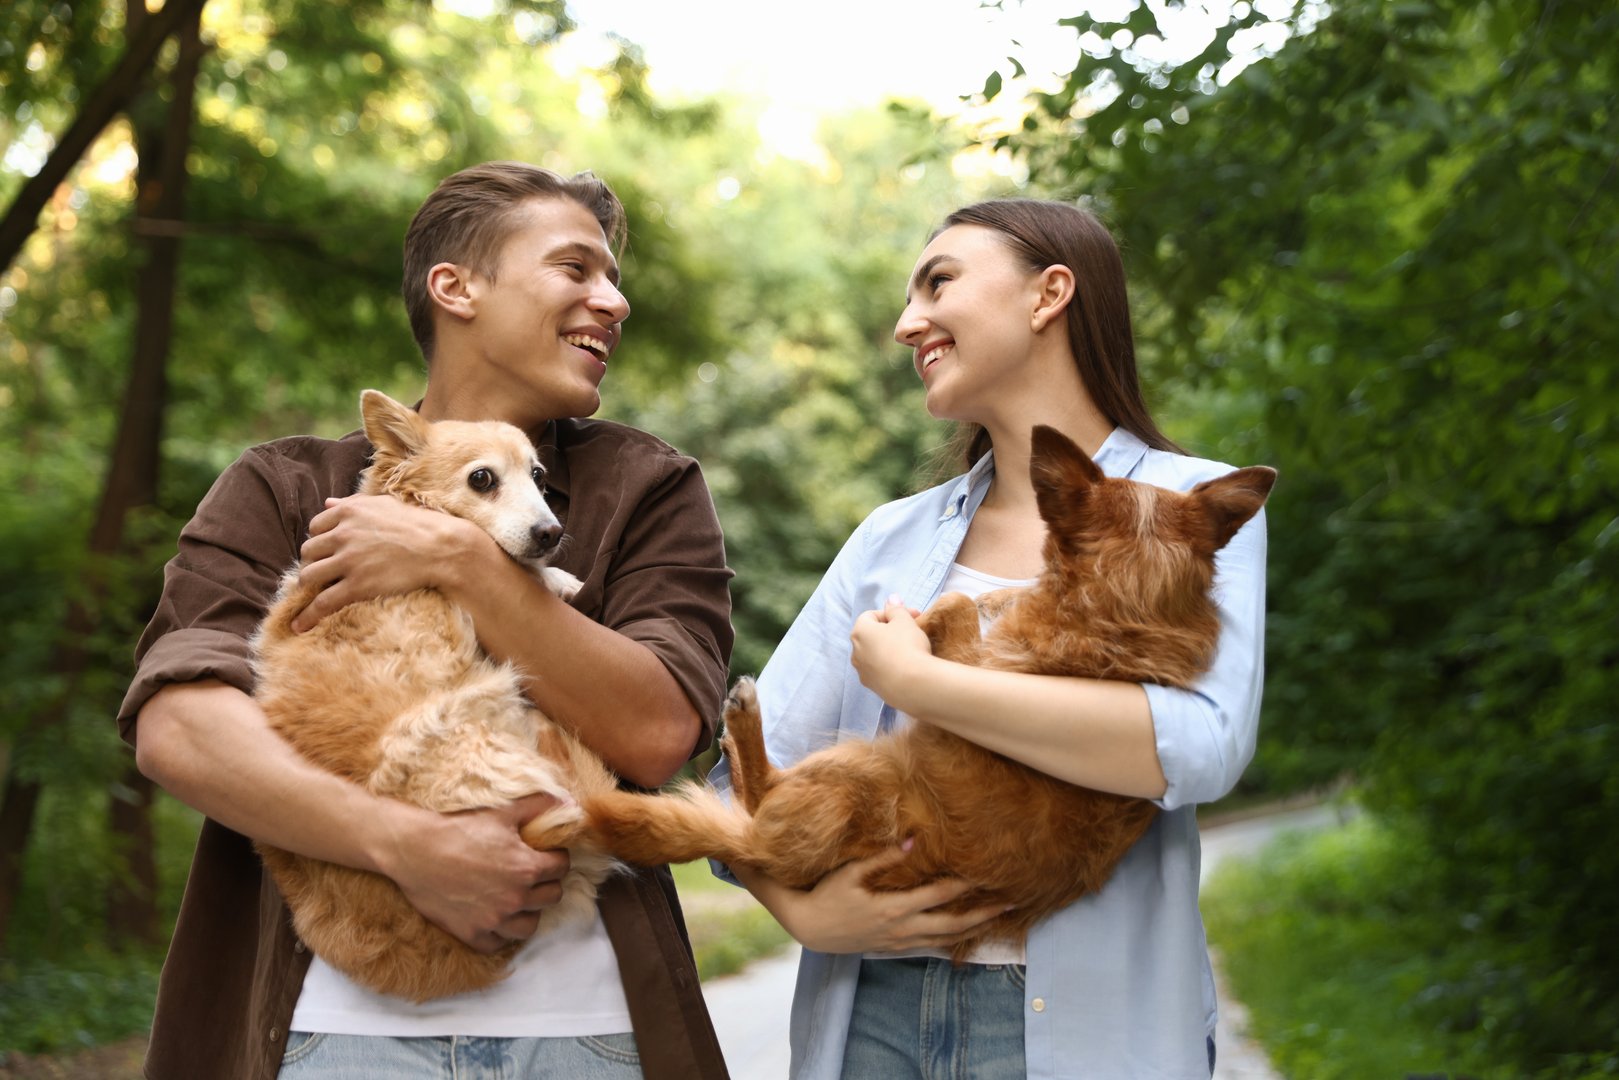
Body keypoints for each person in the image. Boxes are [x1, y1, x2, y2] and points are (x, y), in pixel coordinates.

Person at [120, 162, 735, 1080]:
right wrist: (405, 845)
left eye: (613, 277)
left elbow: (655, 733)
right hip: (330, 1030)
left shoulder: (648, 486)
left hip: (589, 1033)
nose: (613, 300)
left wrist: (457, 560)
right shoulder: (284, 486)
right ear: (456, 287)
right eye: (576, 269)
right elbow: (180, 727)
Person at [710, 199, 1268, 1078]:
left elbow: (1198, 748)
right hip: (873, 1013)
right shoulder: (890, 537)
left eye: (938, 282)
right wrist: (802, 915)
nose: (905, 324)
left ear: (1049, 294)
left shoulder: (1191, 505)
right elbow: (739, 770)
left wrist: (923, 684)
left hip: (1083, 1028)